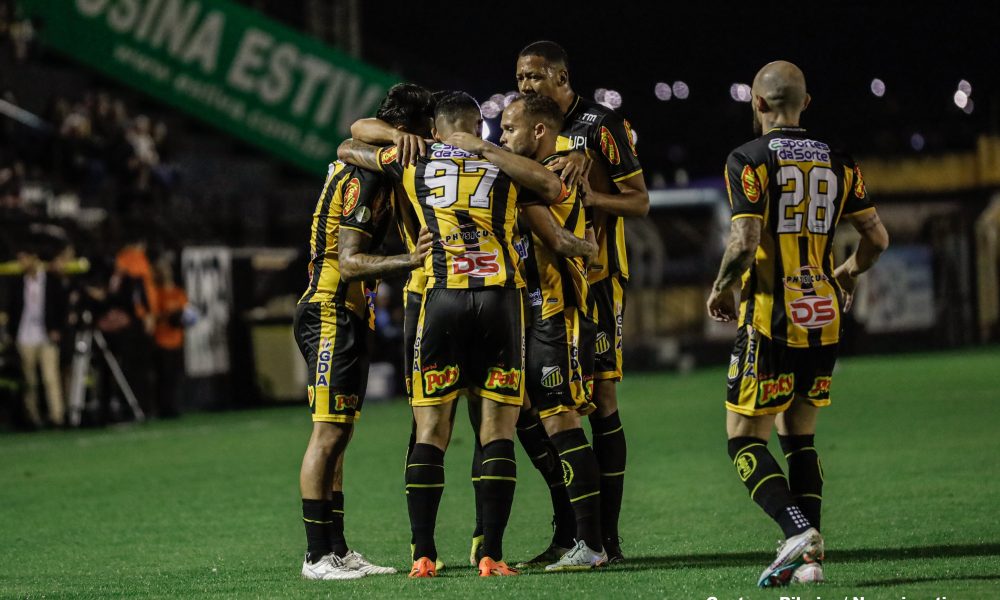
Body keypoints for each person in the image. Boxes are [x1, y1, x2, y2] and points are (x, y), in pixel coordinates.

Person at [338, 91, 565, 578]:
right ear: (479, 129)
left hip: (438, 300)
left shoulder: (412, 160)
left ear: (435, 130)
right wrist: (486, 151)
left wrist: (397, 144)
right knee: (498, 431)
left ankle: (423, 553)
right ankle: (492, 555)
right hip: (500, 301)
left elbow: (348, 142)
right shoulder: (503, 163)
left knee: (431, 431)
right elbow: (552, 187)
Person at [706, 61, 890, 587]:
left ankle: (794, 532)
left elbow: (743, 242)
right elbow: (876, 239)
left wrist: (720, 288)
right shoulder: (839, 161)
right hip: (824, 319)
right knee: (799, 436)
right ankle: (809, 559)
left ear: (758, 104)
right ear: (805, 104)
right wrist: (847, 274)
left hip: (771, 318)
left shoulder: (749, 159)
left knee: (743, 440)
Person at [514, 40, 649, 563]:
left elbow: (639, 200)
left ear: (562, 75)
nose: (525, 85)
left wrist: (591, 196)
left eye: (534, 75)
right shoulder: (526, 126)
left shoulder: (602, 126)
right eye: (521, 76)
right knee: (540, 404)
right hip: (542, 284)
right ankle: (570, 533)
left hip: (596, 280)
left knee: (600, 403)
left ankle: (604, 540)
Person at [293, 83, 435, 581]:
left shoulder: (366, 157)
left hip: (348, 310)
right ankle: (316, 556)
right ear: (412, 129)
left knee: (341, 434)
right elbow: (350, 261)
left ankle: (336, 548)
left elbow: (353, 134)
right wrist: (409, 260)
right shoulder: (369, 174)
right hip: (331, 306)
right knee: (327, 432)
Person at [495, 94, 608, 571]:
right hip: (536, 314)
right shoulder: (551, 167)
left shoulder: (554, 173)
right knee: (527, 414)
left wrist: (585, 249)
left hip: (558, 314)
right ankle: (569, 533)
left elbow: (559, 239)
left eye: (507, 130)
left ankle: (592, 544)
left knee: (563, 421)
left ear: (539, 132)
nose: (501, 139)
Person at [9, 250, 67, 428]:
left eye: (24, 258)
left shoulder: (51, 281)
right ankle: (32, 418)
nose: (22, 263)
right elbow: (12, 309)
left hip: (46, 335)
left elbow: (61, 306)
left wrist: (57, 329)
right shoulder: (18, 283)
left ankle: (57, 417)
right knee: (29, 380)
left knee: (50, 377)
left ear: (34, 258)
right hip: (25, 336)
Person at [151, 256, 187, 419]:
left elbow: (188, 314)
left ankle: (174, 406)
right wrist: (167, 316)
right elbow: (153, 315)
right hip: (161, 340)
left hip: (177, 340)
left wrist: (181, 317)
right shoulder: (156, 293)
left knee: (175, 377)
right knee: (163, 378)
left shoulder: (178, 293)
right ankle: (163, 408)